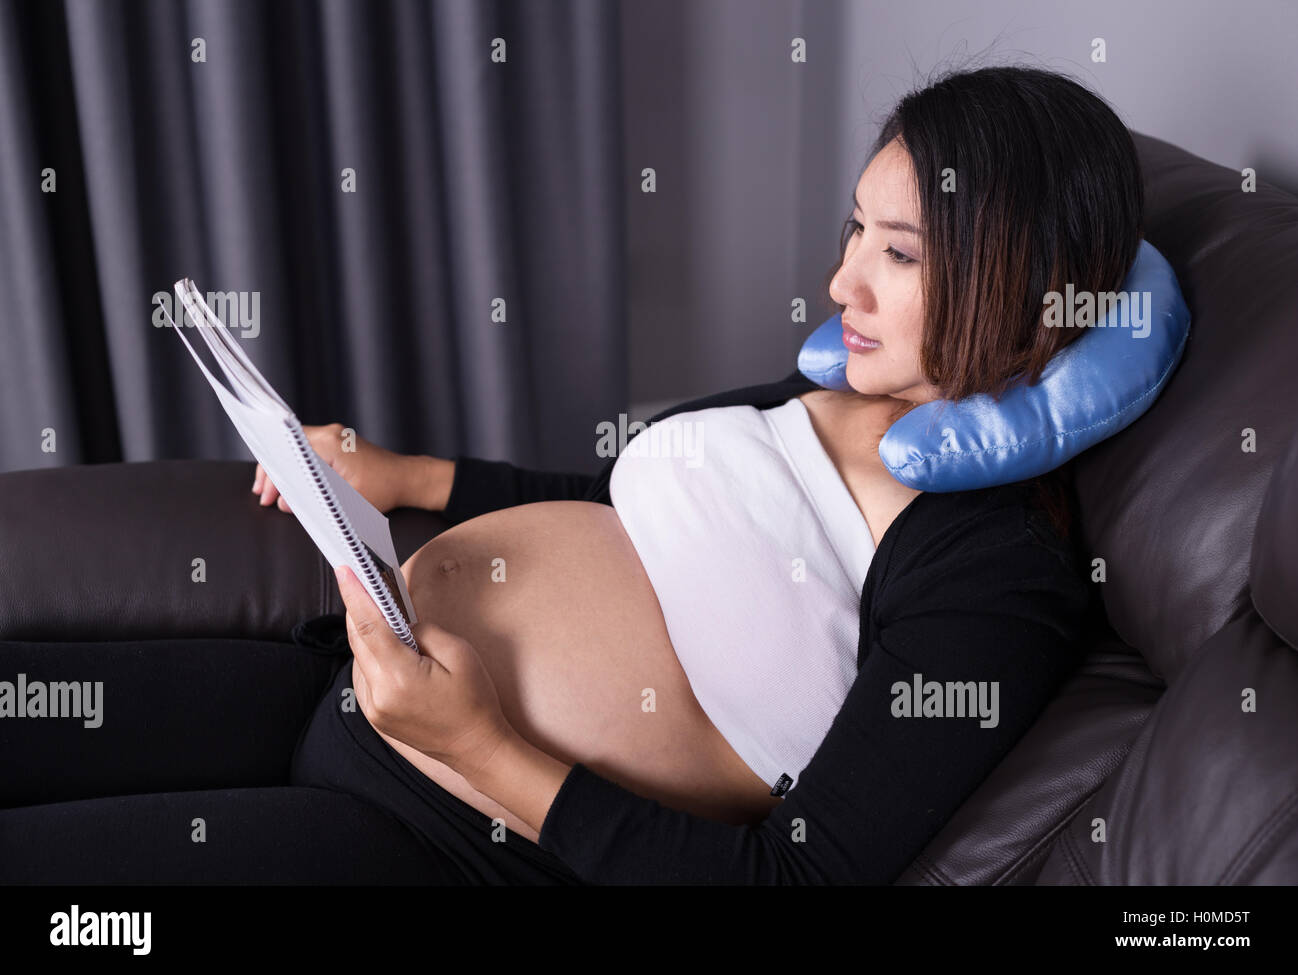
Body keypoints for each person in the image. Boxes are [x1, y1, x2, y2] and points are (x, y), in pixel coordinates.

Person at [0, 65, 1135, 884]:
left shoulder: (995, 566)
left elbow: (803, 877)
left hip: (440, 838)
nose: (842, 282)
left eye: (898, 254)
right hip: (337, 689)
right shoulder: (833, 389)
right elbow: (625, 510)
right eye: (853, 232)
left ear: (1022, 280)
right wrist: (402, 476)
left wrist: (478, 743)